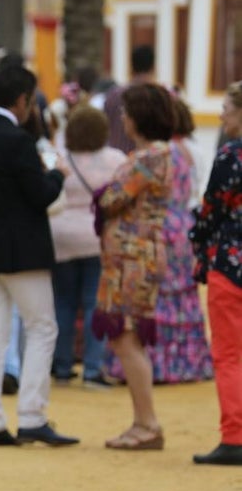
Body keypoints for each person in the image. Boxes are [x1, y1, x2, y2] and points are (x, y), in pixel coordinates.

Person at [0, 65, 77, 448]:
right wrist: (59, 174)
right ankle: (31, 415)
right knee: (43, 327)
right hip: (23, 251)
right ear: (23, 100)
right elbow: (41, 195)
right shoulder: (18, 140)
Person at [92, 84, 176, 450]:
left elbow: (113, 198)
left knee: (127, 337)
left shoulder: (151, 156)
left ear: (141, 116)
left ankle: (148, 423)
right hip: (130, 256)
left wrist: (105, 192)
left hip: (133, 258)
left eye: (127, 112)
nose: (122, 118)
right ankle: (143, 421)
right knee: (126, 337)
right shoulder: (152, 154)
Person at [107, 100, 214, 385]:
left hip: (158, 225)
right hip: (182, 225)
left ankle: (155, 363)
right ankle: (186, 362)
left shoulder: (154, 155)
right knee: (182, 297)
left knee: (154, 299)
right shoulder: (189, 152)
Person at [49, 106, 126, 387]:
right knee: (95, 303)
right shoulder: (115, 159)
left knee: (63, 302)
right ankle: (93, 369)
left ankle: (61, 366)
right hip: (96, 236)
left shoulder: (58, 156)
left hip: (61, 236)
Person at [190, 81, 242, 465]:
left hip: (231, 263)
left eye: (227, 108)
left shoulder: (230, 156)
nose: (222, 115)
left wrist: (198, 243)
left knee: (229, 354)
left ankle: (235, 435)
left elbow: (211, 211)